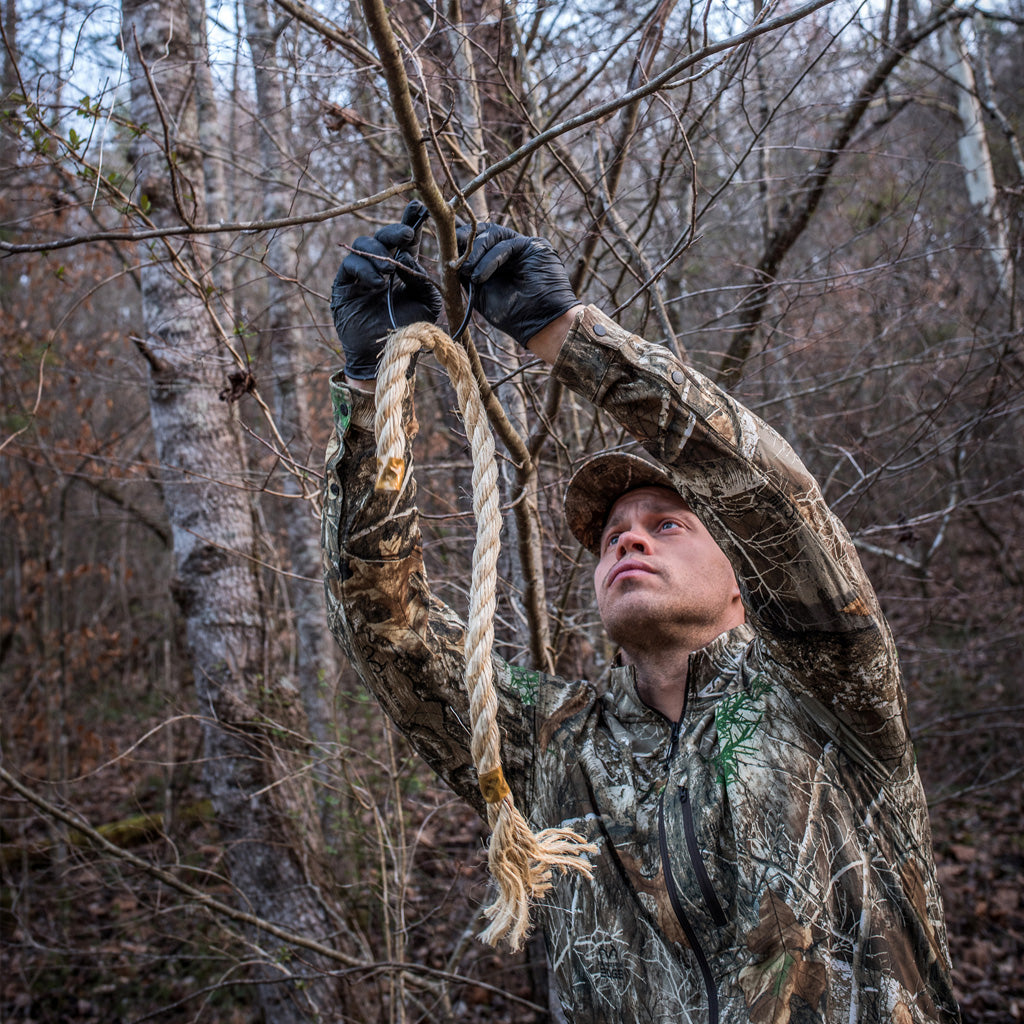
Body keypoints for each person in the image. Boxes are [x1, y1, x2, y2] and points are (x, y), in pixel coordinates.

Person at [321, 201, 961, 1024]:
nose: (629, 542)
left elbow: (771, 497)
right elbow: (386, 627)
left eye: (666, 525)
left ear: (743, 578)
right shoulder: (553, 744)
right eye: (612, 537)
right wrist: (375, 387)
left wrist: (566, 335)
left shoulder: (829, 692)